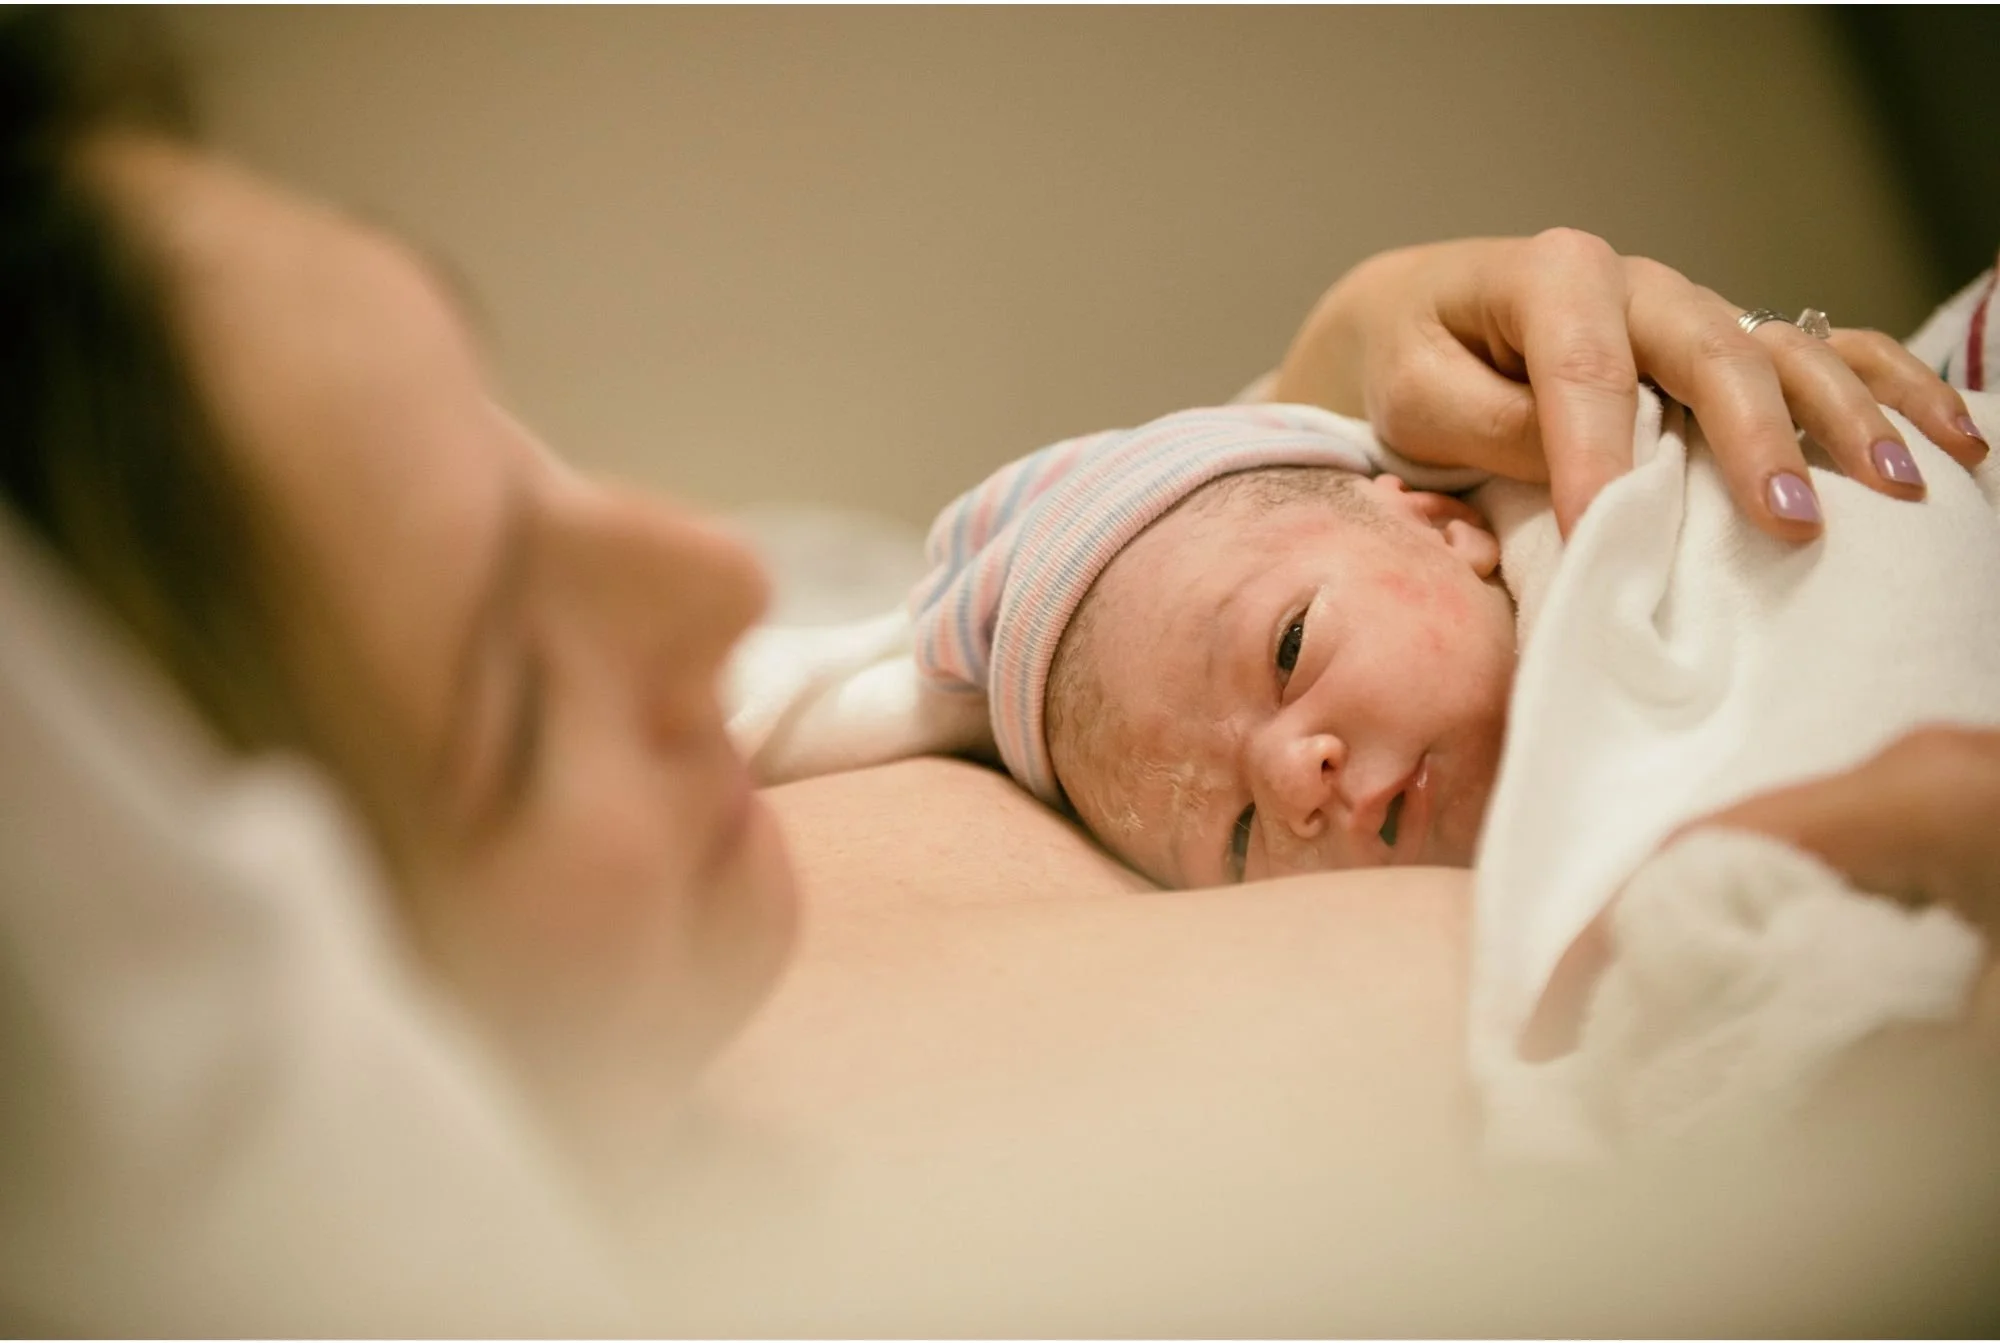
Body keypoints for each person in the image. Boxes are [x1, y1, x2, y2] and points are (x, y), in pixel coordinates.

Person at [6, 10, 1999, 1332]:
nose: (712, 590)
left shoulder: (810, 723)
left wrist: (1319, 384)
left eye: (526, 454)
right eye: (514, 695)